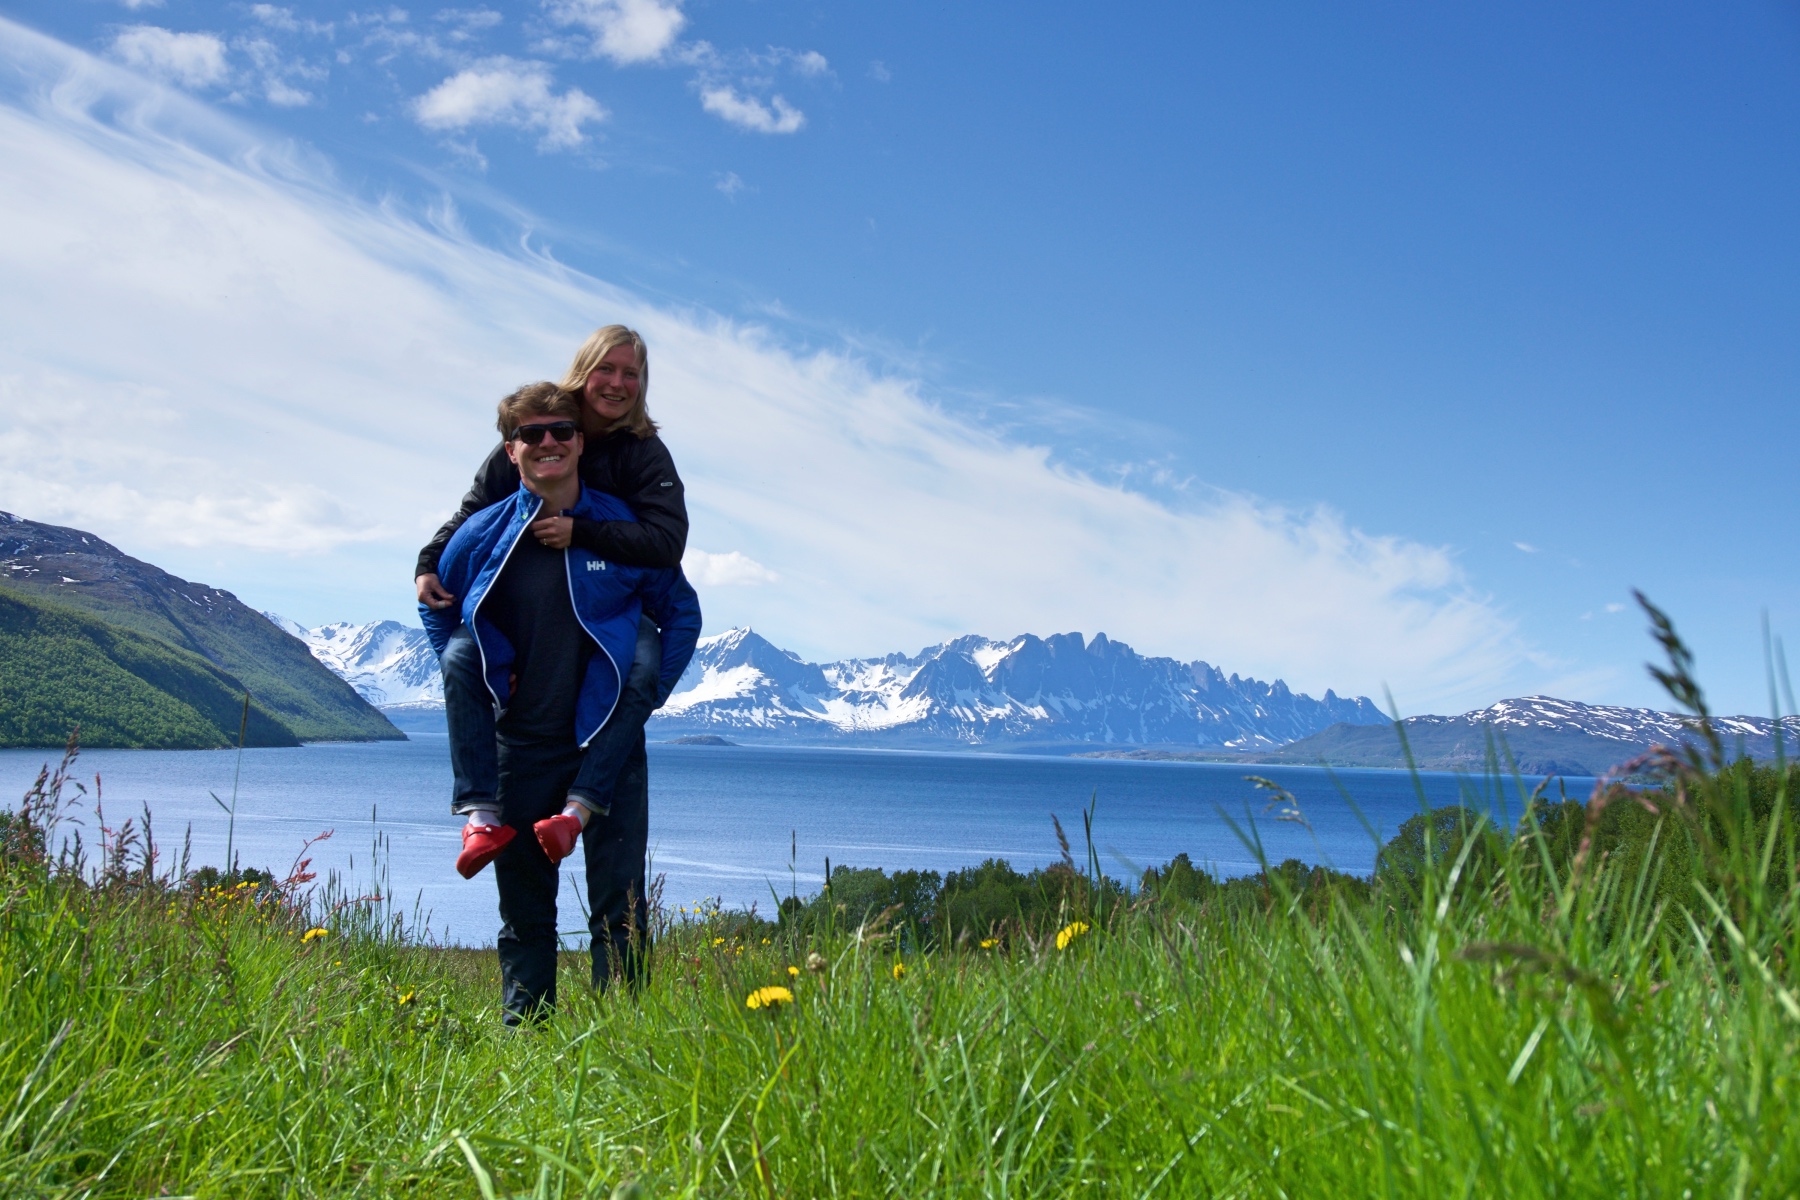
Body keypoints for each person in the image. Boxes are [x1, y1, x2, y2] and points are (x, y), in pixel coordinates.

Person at [422, 383, 701, 1022]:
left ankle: (621, 1039)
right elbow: (436, 605)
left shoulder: (619, 531)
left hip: (608, 750)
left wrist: (642, 699)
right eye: (532, 434)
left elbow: (682, 614)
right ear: (510, 451)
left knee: (621, 912)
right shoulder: (482, 533)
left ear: (580, 443)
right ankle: (526, 1041)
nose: (548, 442)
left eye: (562, 431)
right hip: (520, 746)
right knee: (524, 915)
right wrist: (478, 674)